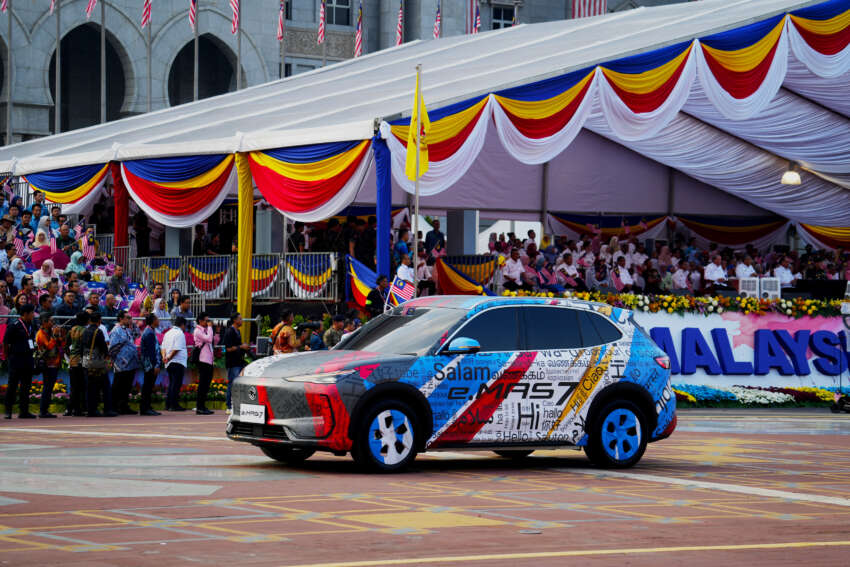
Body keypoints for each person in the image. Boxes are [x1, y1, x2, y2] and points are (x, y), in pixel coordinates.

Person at [3, 304, 37, 419]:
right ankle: (8, 411)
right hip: (16, 359)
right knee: (12, 385)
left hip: (28, 359)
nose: (33, 315)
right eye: (32, 313)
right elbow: (6, 343)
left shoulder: (31, 325)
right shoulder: (14, 326)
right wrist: (8, 357)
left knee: (26, 386)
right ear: (25, 314)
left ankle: (24, 411)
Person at [82, 311, 115, 417]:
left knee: (90, 386)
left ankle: (91, 409)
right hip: (97, 361)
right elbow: (103, 348)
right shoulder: (98, 331)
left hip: (86, 359)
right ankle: (107, 409)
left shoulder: (85, 331)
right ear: (99, 321)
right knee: (105, 385)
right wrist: (107, 357)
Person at [109, 310, 140, 415]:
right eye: (127, 318)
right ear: (121, 319)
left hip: (131, 362)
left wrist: (133, 324)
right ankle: (113, 406)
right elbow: (113, 347)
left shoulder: (127, 329)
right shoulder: (116, 330)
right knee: (118, 385)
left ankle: (124, 406)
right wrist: (115, 360)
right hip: (121, 362)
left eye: (130, 318)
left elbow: (137, 334)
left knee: (126, 386)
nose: (130, 320)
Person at [35, 313, 64, 418]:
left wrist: (59, 335)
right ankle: (43, 411)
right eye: (51, 321)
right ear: (44, 322)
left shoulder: (50, 331)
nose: (53, 323)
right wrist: (55, 335)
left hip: (55, 363)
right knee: (47, 387)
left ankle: (45, 410)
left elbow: (61, 344)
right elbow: (49, 346)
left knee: (49, 387)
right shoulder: (40, 334)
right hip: (47, 363)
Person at [224, 313, 251, 412]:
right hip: (232, 363)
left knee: (238, 384)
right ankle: (229, 406)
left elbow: (237, 346)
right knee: (232, 383)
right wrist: (241, 347)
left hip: (239, 361)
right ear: (235, 320)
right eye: (240, 319)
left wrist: (243, 347)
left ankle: (236, 404)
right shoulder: (229, 332)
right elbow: (227, 349)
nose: (242, 320)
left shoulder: (238, 331)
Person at [162, 315, 189, 411]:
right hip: (177, 361)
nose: (185, 328)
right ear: (182, 325)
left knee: (172, 384)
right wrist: (168, 357)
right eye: (185, 326)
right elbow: (176, 348)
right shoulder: (179, 333)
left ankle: (168, 404)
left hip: (169, 362)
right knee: (176, 384)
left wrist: (164, 357)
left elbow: (163, 347)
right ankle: (174, 405)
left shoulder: (168, 333)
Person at [193, 312, 218, 415]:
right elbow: (208, 339)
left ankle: (203, 406)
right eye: (206, 320)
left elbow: (214, 341)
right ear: (200, 321)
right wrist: (210, 328)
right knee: (203, 385)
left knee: (207, 385)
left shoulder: (207, 330)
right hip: (203, 360)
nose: (208, 322)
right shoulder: (197, 331)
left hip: (209, 360)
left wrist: (217, 333)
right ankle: (199, 407)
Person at [65, 311, 89, 417]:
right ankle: (79, 409)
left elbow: (66, 346)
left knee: (74, 386)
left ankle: (71, 408)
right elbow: (86, 348)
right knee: (82, 386)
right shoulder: (85, 331)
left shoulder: (71, 330)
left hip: (73, 360)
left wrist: (70, 356)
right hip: (82, 361)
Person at [139, 314, 162, 416]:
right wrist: (155, 365)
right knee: (148, 386)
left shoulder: (150, 331)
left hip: (150, 364)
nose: (159, 321)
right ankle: (145, 408)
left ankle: (147, 406)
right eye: (157, 319)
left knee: (149, 386)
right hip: (149, 364)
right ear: (153, 321)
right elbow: (150, 352)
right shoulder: (149, 333)